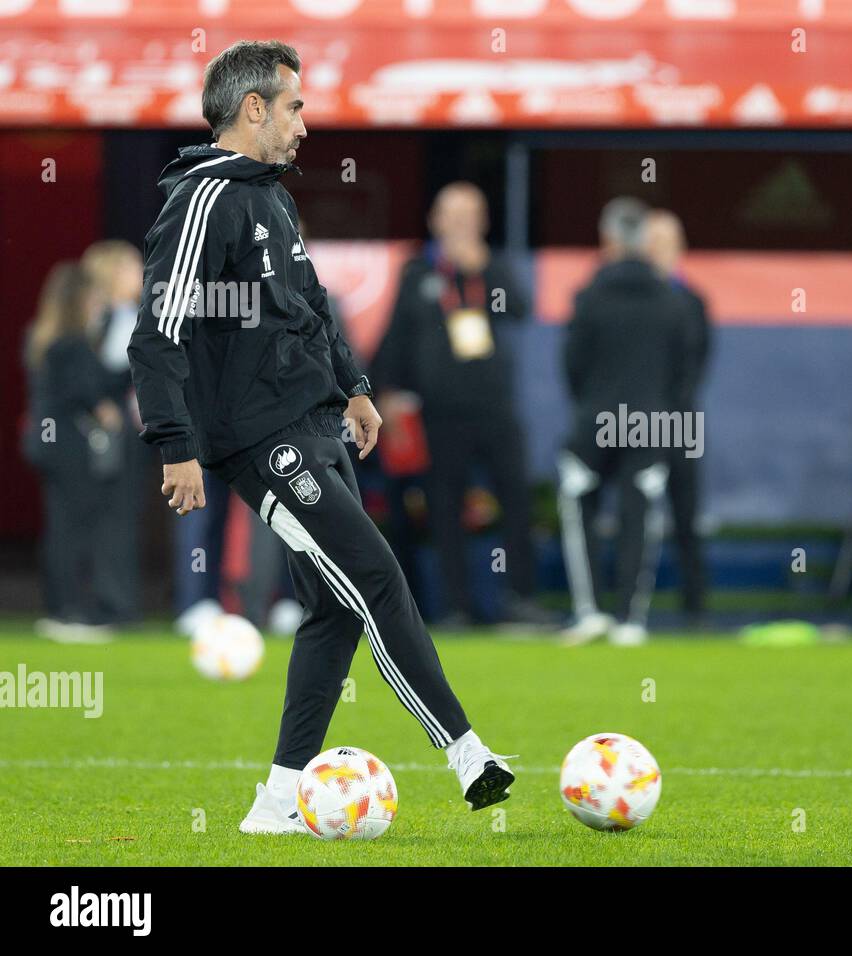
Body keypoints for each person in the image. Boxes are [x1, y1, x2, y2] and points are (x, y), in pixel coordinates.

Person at [126, 40, 514, 834]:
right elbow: (157, 331)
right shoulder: (203, 198)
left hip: (313, 422)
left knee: (336, 608)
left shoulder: (269, 194)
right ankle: (467, 752)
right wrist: (175, 442)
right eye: (296, 105)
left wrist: (356, 388)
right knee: (374, 572)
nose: (307, 123)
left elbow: (310, 302)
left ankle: (277, 802)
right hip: (261, 440)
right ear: (254, 108)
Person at [370, 182, 551, 627]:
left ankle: (519, 600)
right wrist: (385, 393)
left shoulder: (495, 269)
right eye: (453, 215)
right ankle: (455, 607)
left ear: (483, 223)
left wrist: (485, 271)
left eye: (471, 215)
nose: (461, 224)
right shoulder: (418, 271)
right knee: (444, 508)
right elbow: (396, 338)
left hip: (495, 407)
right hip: (439, 411)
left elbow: (521, 310)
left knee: (515, 501)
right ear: (436, 221)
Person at [558, 198, 690, 646]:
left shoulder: (589, 296)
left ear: (609, 239)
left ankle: (591, 611)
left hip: (595, 417)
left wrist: (591, 405)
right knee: (640, 515)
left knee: (579, 503)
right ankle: (631, 619)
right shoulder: (672, 299)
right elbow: (684, 371)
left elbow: (573, 363)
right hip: (650, 421)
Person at [21, 263, 124, 639]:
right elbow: (92, 388)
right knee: (73, 529)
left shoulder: (41, 337)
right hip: (67, 444)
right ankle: (69, 612)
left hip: (45, 441)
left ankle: (61, 609)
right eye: (94, 297)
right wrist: (138, 366)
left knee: (61, 526)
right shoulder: (73, 343)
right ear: (79, 298)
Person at [644, 209, 712, 624]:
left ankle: (696, 605)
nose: (659, 251)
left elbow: (697, 363)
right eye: (652, 242)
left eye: (667, 242)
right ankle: (627, 604)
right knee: (634, 514)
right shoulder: (630, 300)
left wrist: (669, 411)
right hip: (631, 423)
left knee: (686, 513)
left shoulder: (692, 301)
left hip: (679, 422)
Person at [82, 241, 146, 628]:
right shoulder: (91, 317)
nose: (142, 275)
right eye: (133, 268)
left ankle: (120, 605)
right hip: (88, 432)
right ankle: (94, 603)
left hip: (128, 431)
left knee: (122, 518)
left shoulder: (141, 315)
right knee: (94, 517)